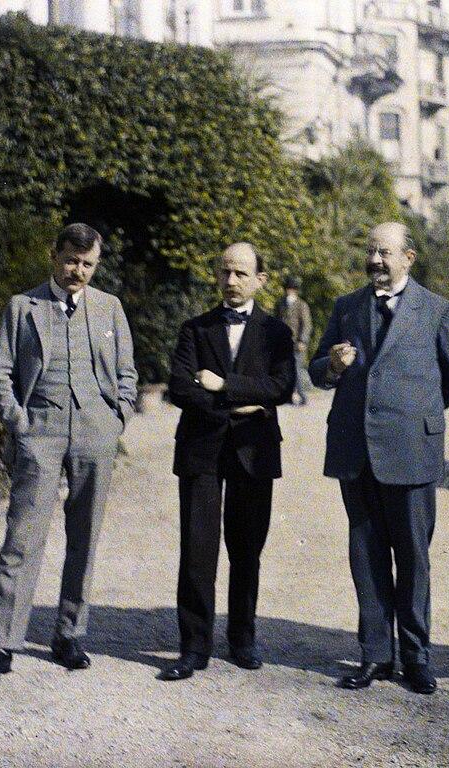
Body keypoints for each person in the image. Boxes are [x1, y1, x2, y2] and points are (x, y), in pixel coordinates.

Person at [309, 221, 449, 695]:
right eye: (371, 251)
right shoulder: (346, 307)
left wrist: (417, 412)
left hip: (411, 450)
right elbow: (317, 370)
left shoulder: (438, 311)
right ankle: (375, 655)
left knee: (414, 558)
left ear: (409, 258)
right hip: (355, 449)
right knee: (365, 554)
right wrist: (333, 367)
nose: (376, 261)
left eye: (385, 253)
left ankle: (417, 657)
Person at [0, 223, 137, 686]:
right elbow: (1, 374)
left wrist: (116, 417)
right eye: (70, 260)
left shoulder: (109, 308)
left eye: (87, 264)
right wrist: (19, 425)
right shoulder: (23, 308)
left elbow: (128, 373)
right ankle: (3, 644)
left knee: (84, 537)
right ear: (54, 256)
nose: (77, 271)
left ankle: (69, 634)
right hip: (39, 432)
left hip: (94, 432)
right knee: (22, 539)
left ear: (96, 265)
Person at [160, 243, 295, 681]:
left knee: (246, 549)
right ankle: (194, 646)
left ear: (261, 280)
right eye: (225, 273)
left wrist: (222, 384)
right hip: (202, 449)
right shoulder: (195, 329)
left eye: (241, 274)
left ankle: (242, 639)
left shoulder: (276, 332)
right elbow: (180, 387)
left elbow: (280, 386)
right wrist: (237, 403)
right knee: (198, 549)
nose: (232, 281)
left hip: (254, 452)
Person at [273, 275, 312, 406]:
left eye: (292, 289)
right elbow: (276, 321)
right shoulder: (280, 303)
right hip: (283, 343)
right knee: (284, 370)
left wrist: (303, 341)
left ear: (296, 290)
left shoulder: (302, 305)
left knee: (297, 370)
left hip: (297, 344)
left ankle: (302, 396)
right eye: (287, 288)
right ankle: (287, 396)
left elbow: (306, 325)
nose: (289, 291)